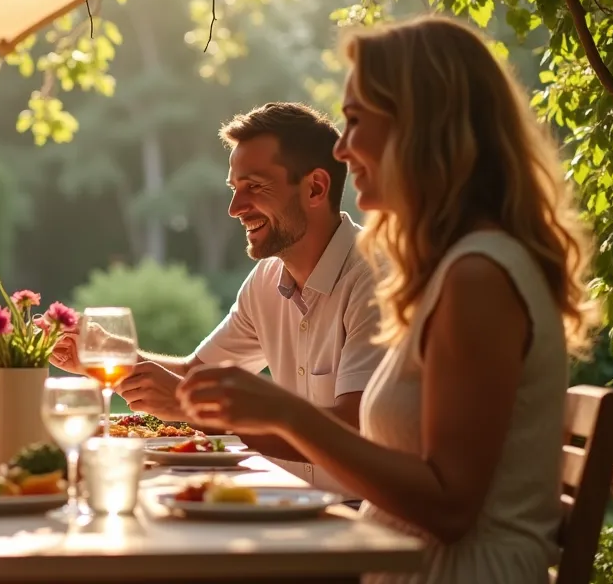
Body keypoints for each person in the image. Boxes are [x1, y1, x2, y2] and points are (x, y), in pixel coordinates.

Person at [176, 15, 597, 583]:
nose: (343, 150)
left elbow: (450, 508)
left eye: (354, 122)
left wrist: (284, 413)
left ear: (421, 126)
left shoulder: (479, 277)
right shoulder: (454, 268)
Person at [53, 101, 384, 493]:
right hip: (282, 510)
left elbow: (357, 429)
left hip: (356, 525)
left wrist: (197, 410)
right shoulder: (266, 279)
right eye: (234, 188)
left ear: (315, 188)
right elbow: (197, 375)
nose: (235, 208)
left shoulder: (375, 278)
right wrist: (111, 357)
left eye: (255, 187)